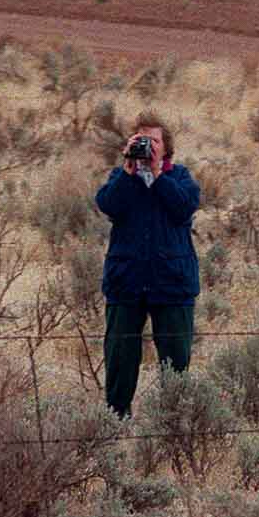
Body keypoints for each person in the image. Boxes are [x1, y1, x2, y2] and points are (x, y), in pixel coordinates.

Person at [94, 113, 201, 418]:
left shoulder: (179, 177)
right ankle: (117, 421)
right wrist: (130, 172)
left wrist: (157, 174)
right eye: (141, 140)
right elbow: (108, 205)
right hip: (126, 282)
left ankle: (173, 425)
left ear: (166, 148)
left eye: (154, 141)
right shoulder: (121, 178)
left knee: (176, 361)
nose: (148, 147)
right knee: (119, 358)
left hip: (172, 284)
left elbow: (183, 208)